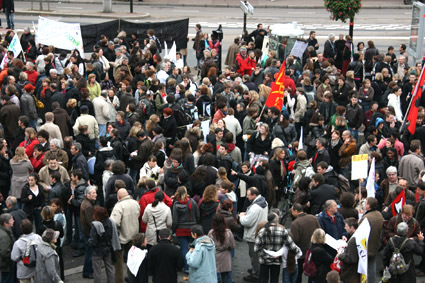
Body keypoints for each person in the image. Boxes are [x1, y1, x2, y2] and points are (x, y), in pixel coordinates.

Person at [254, 212, 300, 283]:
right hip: (277, 261)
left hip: (264, 261)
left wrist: (266, 255)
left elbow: (256, 248)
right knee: (274, 280)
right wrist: (298, 253)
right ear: (276, 221)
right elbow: (291, 246)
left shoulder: (262, 232)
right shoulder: (282, 231)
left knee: (263, 279)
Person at [110, 189, 140, 283]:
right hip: (133, 235)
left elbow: (114, 222)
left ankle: (119, 280)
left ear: (119, 197)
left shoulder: (119, 206)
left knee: (119, 261)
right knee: (131, 259)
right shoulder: (135, 203)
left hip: (121, 237)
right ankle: (131, 278)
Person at [239, 187, 268, 282]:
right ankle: (257, 269)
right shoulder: (264, 202)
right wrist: (247, 213)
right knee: (258, 254)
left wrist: (241, 217)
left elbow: (247, 222)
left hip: (253, 234)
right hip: (260, 232)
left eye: (248, 195)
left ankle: (256, 274)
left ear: (254, 195)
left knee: (253, 255)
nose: (247, 197)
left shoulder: (255, 207)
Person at [290, 203, 320, 283]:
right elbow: (319, 231)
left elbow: (295, 239)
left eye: (292, 211)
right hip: (313, 251)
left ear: (296, 211)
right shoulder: (313, 218)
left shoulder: (295, 223)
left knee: (298, 274)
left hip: (301, 253)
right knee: (312, 272)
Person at [171, 186, 200, 273]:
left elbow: (175, 220)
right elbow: (197, 215)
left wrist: (173, 229)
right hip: (192, 228)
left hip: (181, 229)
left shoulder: (176, 204)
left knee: (184, 248)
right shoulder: (192, 202)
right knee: (192, 247)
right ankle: (193, 265)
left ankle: (186, 267)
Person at [89, 207, 119, 283]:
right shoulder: (110, 222)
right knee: (110, 268)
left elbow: (93, 241)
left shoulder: (95, 225)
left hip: (97, 251)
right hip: (108, 248)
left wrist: (89, 243)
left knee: (97, 272)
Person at [359, 197, 384, 283]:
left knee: (366, 267)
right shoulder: (379, 214)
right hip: (375, 244)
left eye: (366, 202)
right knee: (372, 265)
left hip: (367, 246)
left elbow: (360, 231)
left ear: (368, 206)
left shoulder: (366, 218)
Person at [208, 214, 235, 283]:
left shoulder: (211, 233)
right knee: (226, 277)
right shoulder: (228, 233)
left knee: (214, 276)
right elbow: (232, 246)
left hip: (214, 256)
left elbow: (208, 245)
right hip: (225, 257)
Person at [80, 186, 97, 279]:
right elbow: (90, 222)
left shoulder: (86, 202)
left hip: (85, 231)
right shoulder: (89, 206)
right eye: (93, 193)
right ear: (88, 195)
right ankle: (87, 271)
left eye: (95, 192)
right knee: (89, 253)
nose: (95, 194)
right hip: (88, 233)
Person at [0, 213, 15, 283]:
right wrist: (11, 259)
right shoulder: (4, 236)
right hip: (6, 264)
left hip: (5, 262)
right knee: (7, 279)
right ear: (6, 223)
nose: (13, 221)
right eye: (11, 220)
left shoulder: (6, 230)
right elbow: (4, 252)